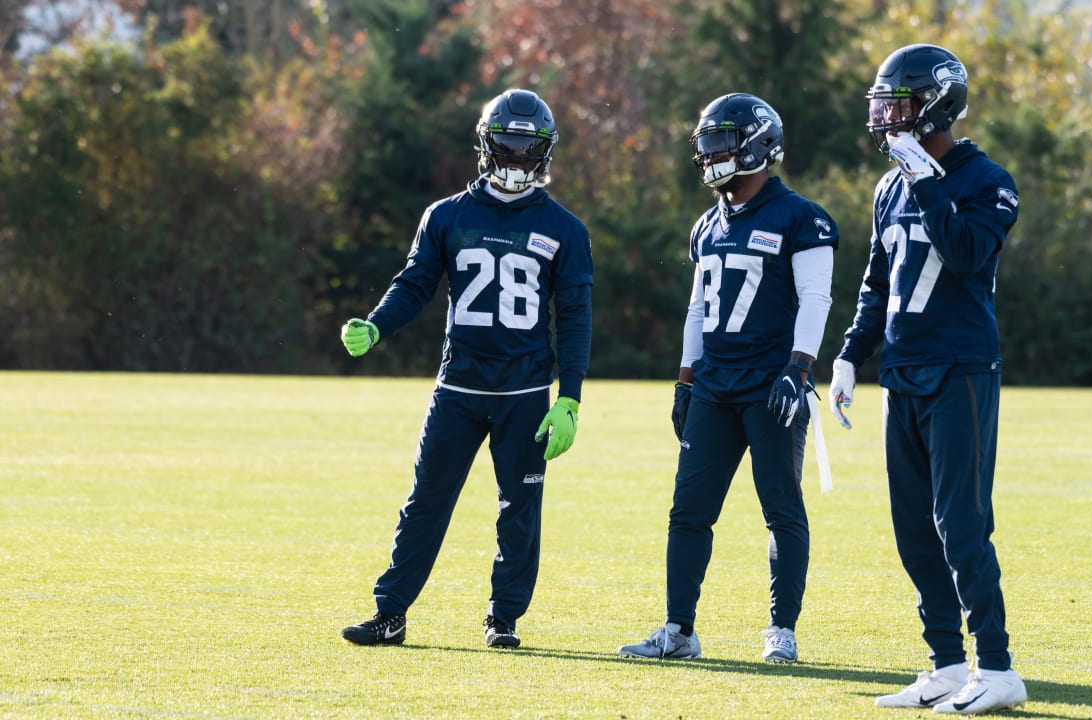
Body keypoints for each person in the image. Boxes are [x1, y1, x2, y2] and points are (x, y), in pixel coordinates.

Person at [338, 88, 593, 650]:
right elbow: (415, 285)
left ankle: (504, 618)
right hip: (458, 386)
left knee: (520, 507)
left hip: (525, 390)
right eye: (509, 144)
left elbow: (574, 318)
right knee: (426, 500)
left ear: (546, 152)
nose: (519, 158)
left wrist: (570, 396)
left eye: (531, 149)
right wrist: (379, 323)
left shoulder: (566, 229)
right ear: (486, 143)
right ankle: (391, 613)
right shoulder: (448, 215)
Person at [828, 44, 1026, 714]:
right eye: (883, 105)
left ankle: (996, 667)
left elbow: (967, 255)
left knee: (961, 523)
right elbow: (877, 282)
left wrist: (928, 179)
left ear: (937, 104)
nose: (888, 117)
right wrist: (852, 354)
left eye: (900, 104)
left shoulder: (987, 180)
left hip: (960, 369)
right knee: (912, 526)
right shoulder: (890, 185)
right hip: (903, 371)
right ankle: (945, 663)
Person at [618, 93, 837, 664]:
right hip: (714, 385)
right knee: (688, 510)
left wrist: (799, 366)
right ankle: (678, 630)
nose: (711, 154)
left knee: (781, 509)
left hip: (771, 384)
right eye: (706, 144)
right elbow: (697, 309)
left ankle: (782, 630)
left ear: (760, 146)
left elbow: (817, 296)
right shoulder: (707, 224)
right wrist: (685, 380)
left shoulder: (801, 217)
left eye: (721, 143)